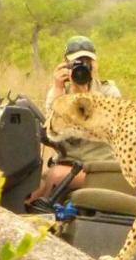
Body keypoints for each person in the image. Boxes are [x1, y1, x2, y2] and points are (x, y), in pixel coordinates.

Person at [33, 35, 121, 201]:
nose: (83, 66)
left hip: (100, 165)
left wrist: (84, 95)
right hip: (68, 161)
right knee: (33, 187)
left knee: (56, 177)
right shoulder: (58, 93)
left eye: (87, 61)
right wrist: (58, 89)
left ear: (95, 63)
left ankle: (46, 216)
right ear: (66, 63)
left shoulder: (109, 91)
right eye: (77, 62)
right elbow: (53, 133)